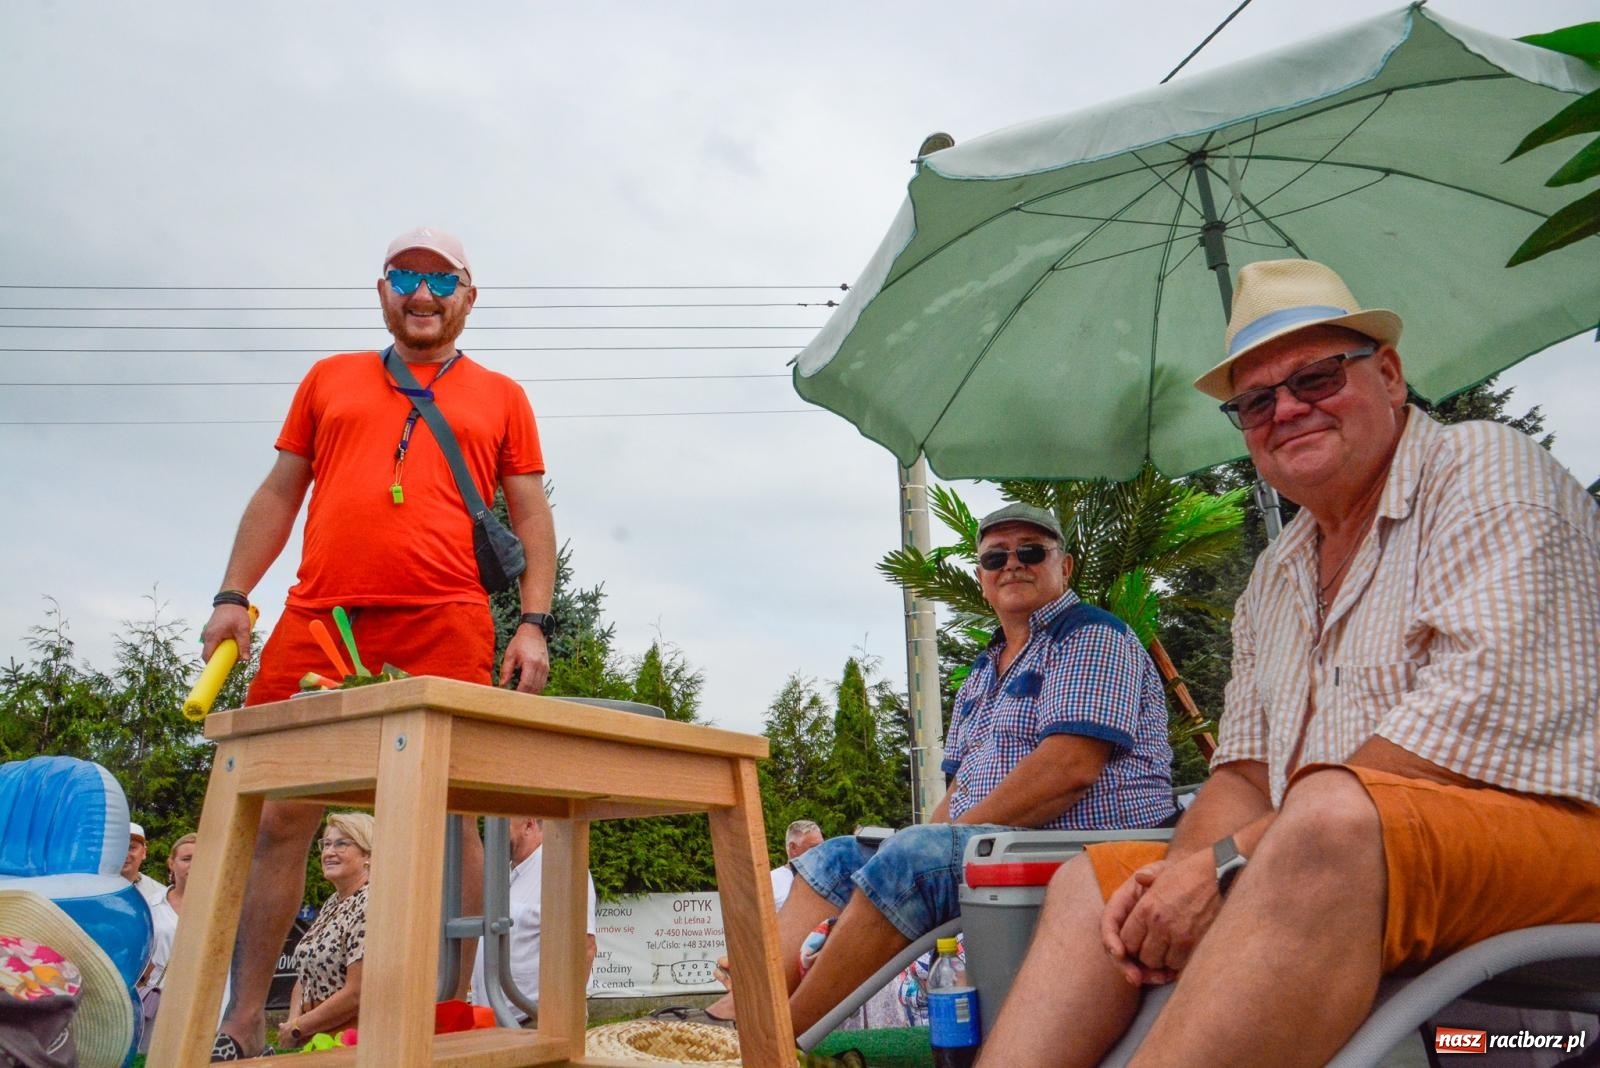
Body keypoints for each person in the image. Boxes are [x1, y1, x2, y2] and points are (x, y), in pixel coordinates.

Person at [980, 259, 1600, 1068]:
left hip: (1560, 837)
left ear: (1388, 375)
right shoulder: (1278, 572)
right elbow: (1243, 772)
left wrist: (1232, 863)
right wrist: (1179, 880)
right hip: (1344, 859)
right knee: (1097, 882)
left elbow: (1468, 721)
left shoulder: (1483, 470)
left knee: (1332, 817)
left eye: (1316, 377)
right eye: (1258, 401)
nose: (1289, 410)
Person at [200, 227, 558, 1061]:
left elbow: (532, 516)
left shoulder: (502, 395)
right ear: (382, 290)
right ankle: (241, 1018)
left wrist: (534, 623)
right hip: (323, 617)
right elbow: (280, 490)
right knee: (279, 811)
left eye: (441, 280)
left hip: (446, 617)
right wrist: (232, 595)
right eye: (406, 277)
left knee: (453, 814)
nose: (422, 294)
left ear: (469, 296)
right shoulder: (329, 378)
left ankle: (453, 1007)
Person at [714, 502, 1174, 1034]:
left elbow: (1067, 770)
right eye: (995, 557)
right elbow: (958, 788)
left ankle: (773, 1038)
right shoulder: (983, 669)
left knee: (914, 851)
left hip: (1085, 847)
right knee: (840, 855)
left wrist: (938, 839)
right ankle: (732, 1014)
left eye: (1030, 551)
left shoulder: (1090, 636)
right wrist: (927, 835)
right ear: (981, 578)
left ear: (1063, 567)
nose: (1012, 565)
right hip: (999, 842)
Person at [468, 818, 597, 1024]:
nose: (492, 833)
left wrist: (559, 1019)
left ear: (529, 826)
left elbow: (584, 947)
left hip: (536, 1021)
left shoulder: (560, 868)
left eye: (504, 826)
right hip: (497, 1019)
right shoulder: (507, 872)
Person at [281, 813, 373, 1048]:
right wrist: (294, 1022)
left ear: (369, 855)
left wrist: (299, 1027)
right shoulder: (334, 901)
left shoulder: (371, 902)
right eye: (326, 844)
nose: (329, 852)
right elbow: (306, 973)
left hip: (352, 1042)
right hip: (316, 1038)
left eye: (341, 844)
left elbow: (357, 992)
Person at [136, 832, 196, 1052]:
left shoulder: (224, 908)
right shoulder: (149, 906)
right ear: (171, 863)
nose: (193, 865)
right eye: (186, 858)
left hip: (204, 1001)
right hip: (158, 1001)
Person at [770, 819, 824, 912]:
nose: (820, 852)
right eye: (814, 847)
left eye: (822, 846)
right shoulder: (771, 882)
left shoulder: (827, 879)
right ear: (793, 848)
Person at [121, 823, 166, 907]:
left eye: (131, 848)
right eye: (118, 847)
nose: (125, 854)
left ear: (144, 852)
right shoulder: (93, 889)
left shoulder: (159, 894)